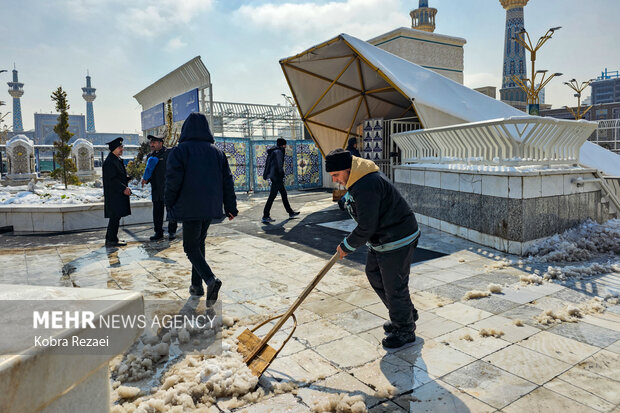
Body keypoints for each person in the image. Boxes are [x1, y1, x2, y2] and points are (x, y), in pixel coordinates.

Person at [326, 148, 420, 348]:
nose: (336, 180)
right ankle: (405, 314)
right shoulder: (358, 180)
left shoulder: (366, 184)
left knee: (394, 285)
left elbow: (367, 226)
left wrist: (346, 246)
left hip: (397, 237)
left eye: (336, 175)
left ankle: (404, 329)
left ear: (347, 169)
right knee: (374, 273)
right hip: (383, 239)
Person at [165, 113, 238, 302]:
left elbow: (173, 181)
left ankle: (210, 279)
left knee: (190, 247)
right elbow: (227, 181)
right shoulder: (217, 152)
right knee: (199, 244)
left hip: (189, 207)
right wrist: (231, 207)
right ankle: (196, 286)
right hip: (209, 207)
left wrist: (168, 202)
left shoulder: (179, 151)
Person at [142, 134, 178, 241]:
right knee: (157, 212)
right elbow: (149, 171)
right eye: (151, 143)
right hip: (156, 189)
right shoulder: (150, 156)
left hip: (169, 188)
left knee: (171, 211)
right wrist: (146, 179)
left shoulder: (169, 153)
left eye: (154, 142)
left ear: (160, 143)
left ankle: (172, 231)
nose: (151, 145)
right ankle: (158, 232)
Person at [261, 138, 300, 223]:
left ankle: (290, 212)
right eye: (285, 145)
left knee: (283, 194)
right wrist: (281, 174)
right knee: (272, 196)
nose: (286, 146)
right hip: (276, 177)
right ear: (283, 145)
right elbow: (279, 165)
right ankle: (265, 215)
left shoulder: (274, 151)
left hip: (274, 176)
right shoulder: (278, 152)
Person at [103, 137, 131, 247]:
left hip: (117, 194)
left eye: (122, 147)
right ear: (114, 148)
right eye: (120, 147)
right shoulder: (110, 161)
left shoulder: (116, 159)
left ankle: (111, 238)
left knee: (116, 217)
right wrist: (123, 188)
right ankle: (111, 240)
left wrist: (127, 178)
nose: (122, 149)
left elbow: (118, 176)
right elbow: (112, 180)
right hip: (114, 195)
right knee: (115, 217)